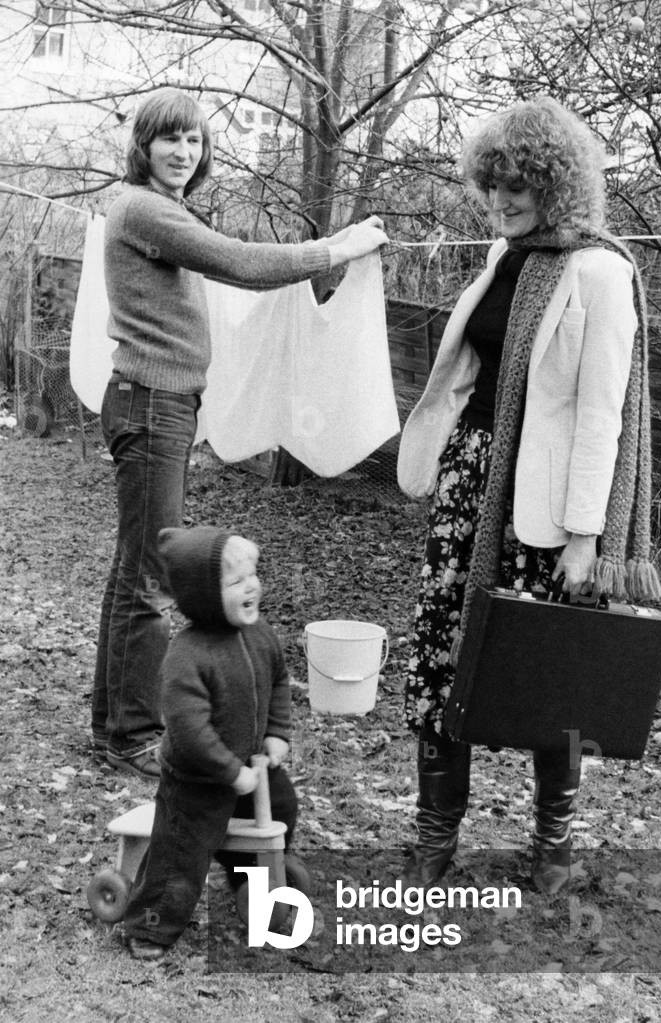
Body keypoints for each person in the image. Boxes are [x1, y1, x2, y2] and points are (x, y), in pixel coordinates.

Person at [397, 96, 661, 895]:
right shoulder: (502, 254)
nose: (503, 201)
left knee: (552, 671)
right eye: (493, 186)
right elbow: (471, 371)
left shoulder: (601, 270)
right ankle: (434, 839)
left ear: (558, 185)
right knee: (443, 658)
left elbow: (600, 413)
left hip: (544, 509)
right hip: (471, 485)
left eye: (519, 187)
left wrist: (586, 535)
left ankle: (552, 847)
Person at [91, 87, 388, 777]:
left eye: (194, 141)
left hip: (159, 401)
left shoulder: (164, 210)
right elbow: (242, 265)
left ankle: (115, 726)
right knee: (147, 572)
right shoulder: (143, 208)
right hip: (150, 403)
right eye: (170, 139)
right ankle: (133, 732)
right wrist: (339, 245)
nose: (183, 152)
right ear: (144, 146)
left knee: (131, 567)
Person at [123, 524, 298, 960]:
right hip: (198, 779)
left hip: (251, 768)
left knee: (282, 808)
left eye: (253, 574)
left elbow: (278, 681)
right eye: (236, 581)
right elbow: (189, 729)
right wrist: (227, 770)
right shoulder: (188, 654)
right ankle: (151, 925)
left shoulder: (260, 636)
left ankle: (252, 882)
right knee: (180, 854)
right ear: (202, 594)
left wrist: (276, 732)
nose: (251, 586)